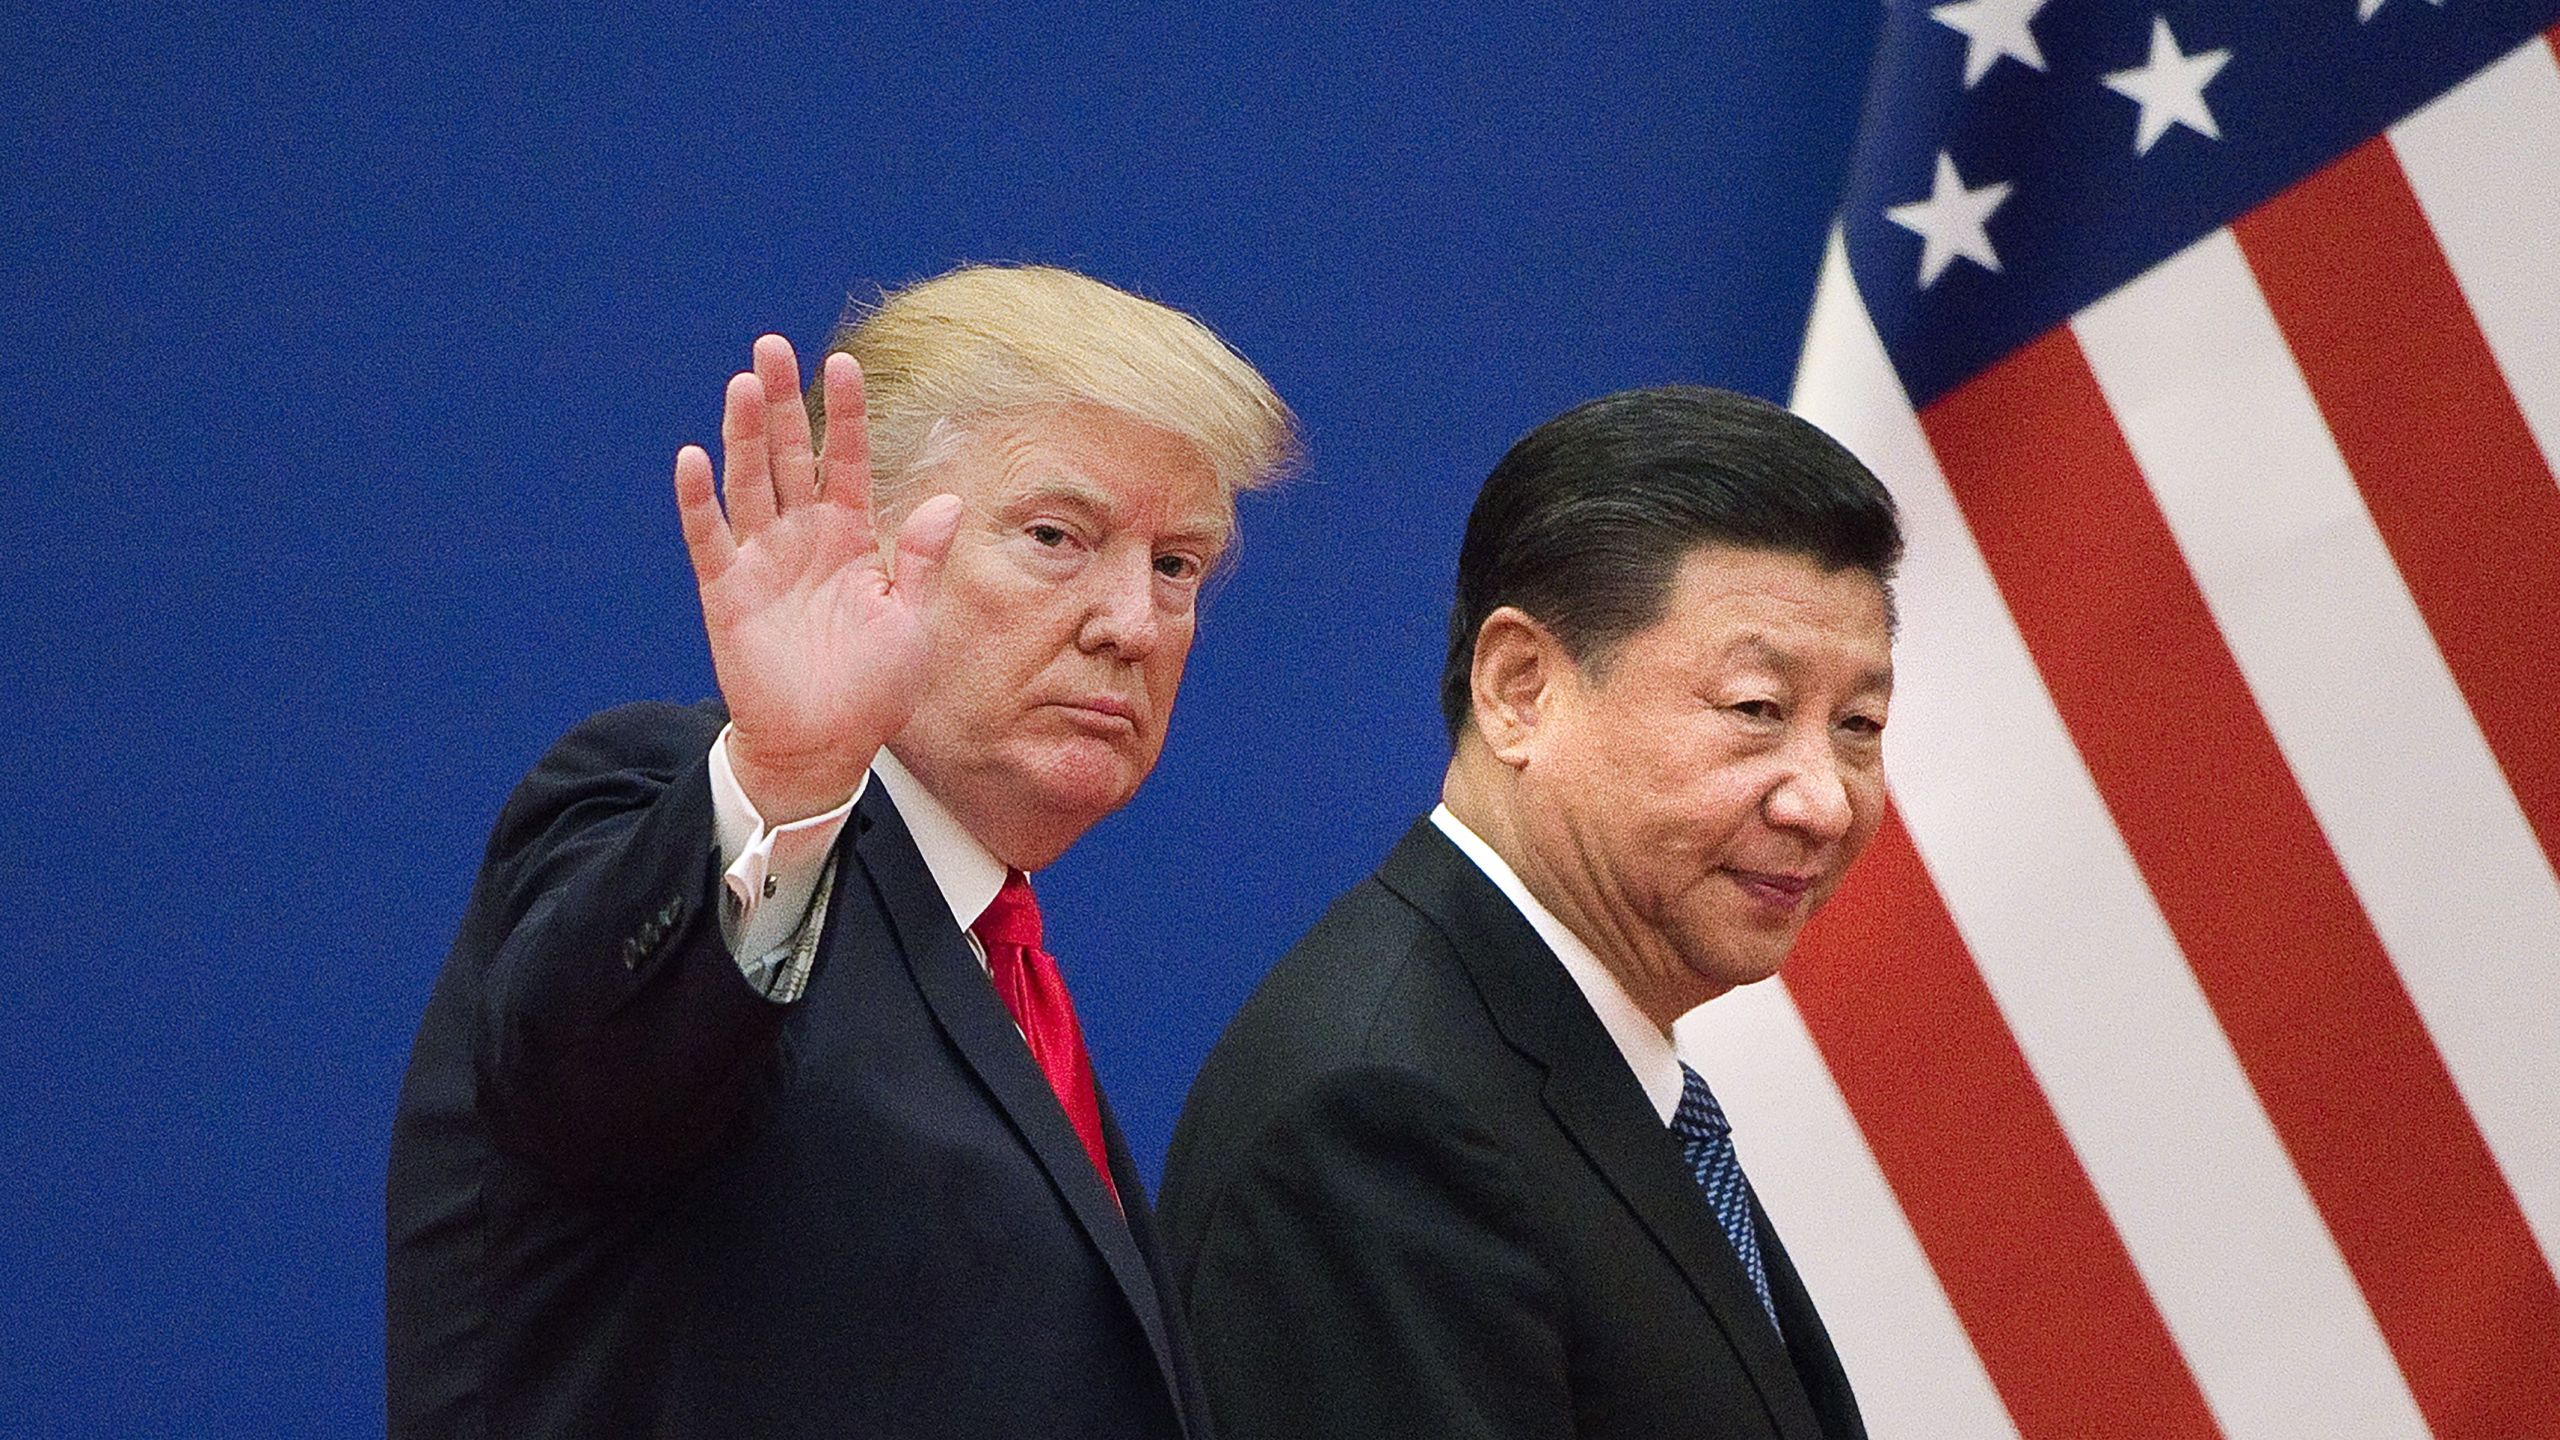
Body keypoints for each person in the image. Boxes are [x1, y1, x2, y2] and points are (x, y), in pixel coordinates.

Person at [386, 263, 1296, 1438]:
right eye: (1057, 536)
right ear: (863, 552)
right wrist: (786, 779)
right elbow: (587, 1081)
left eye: (1177, 566)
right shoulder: (672, 802)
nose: (1131, 622)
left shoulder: (993, 951)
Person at [1158, 385, 1896, 1440]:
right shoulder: (1384, 1114)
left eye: (1860, 723)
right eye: (1756, 711)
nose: (1822, 800)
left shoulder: (1559, 1055)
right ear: (1519, 689)